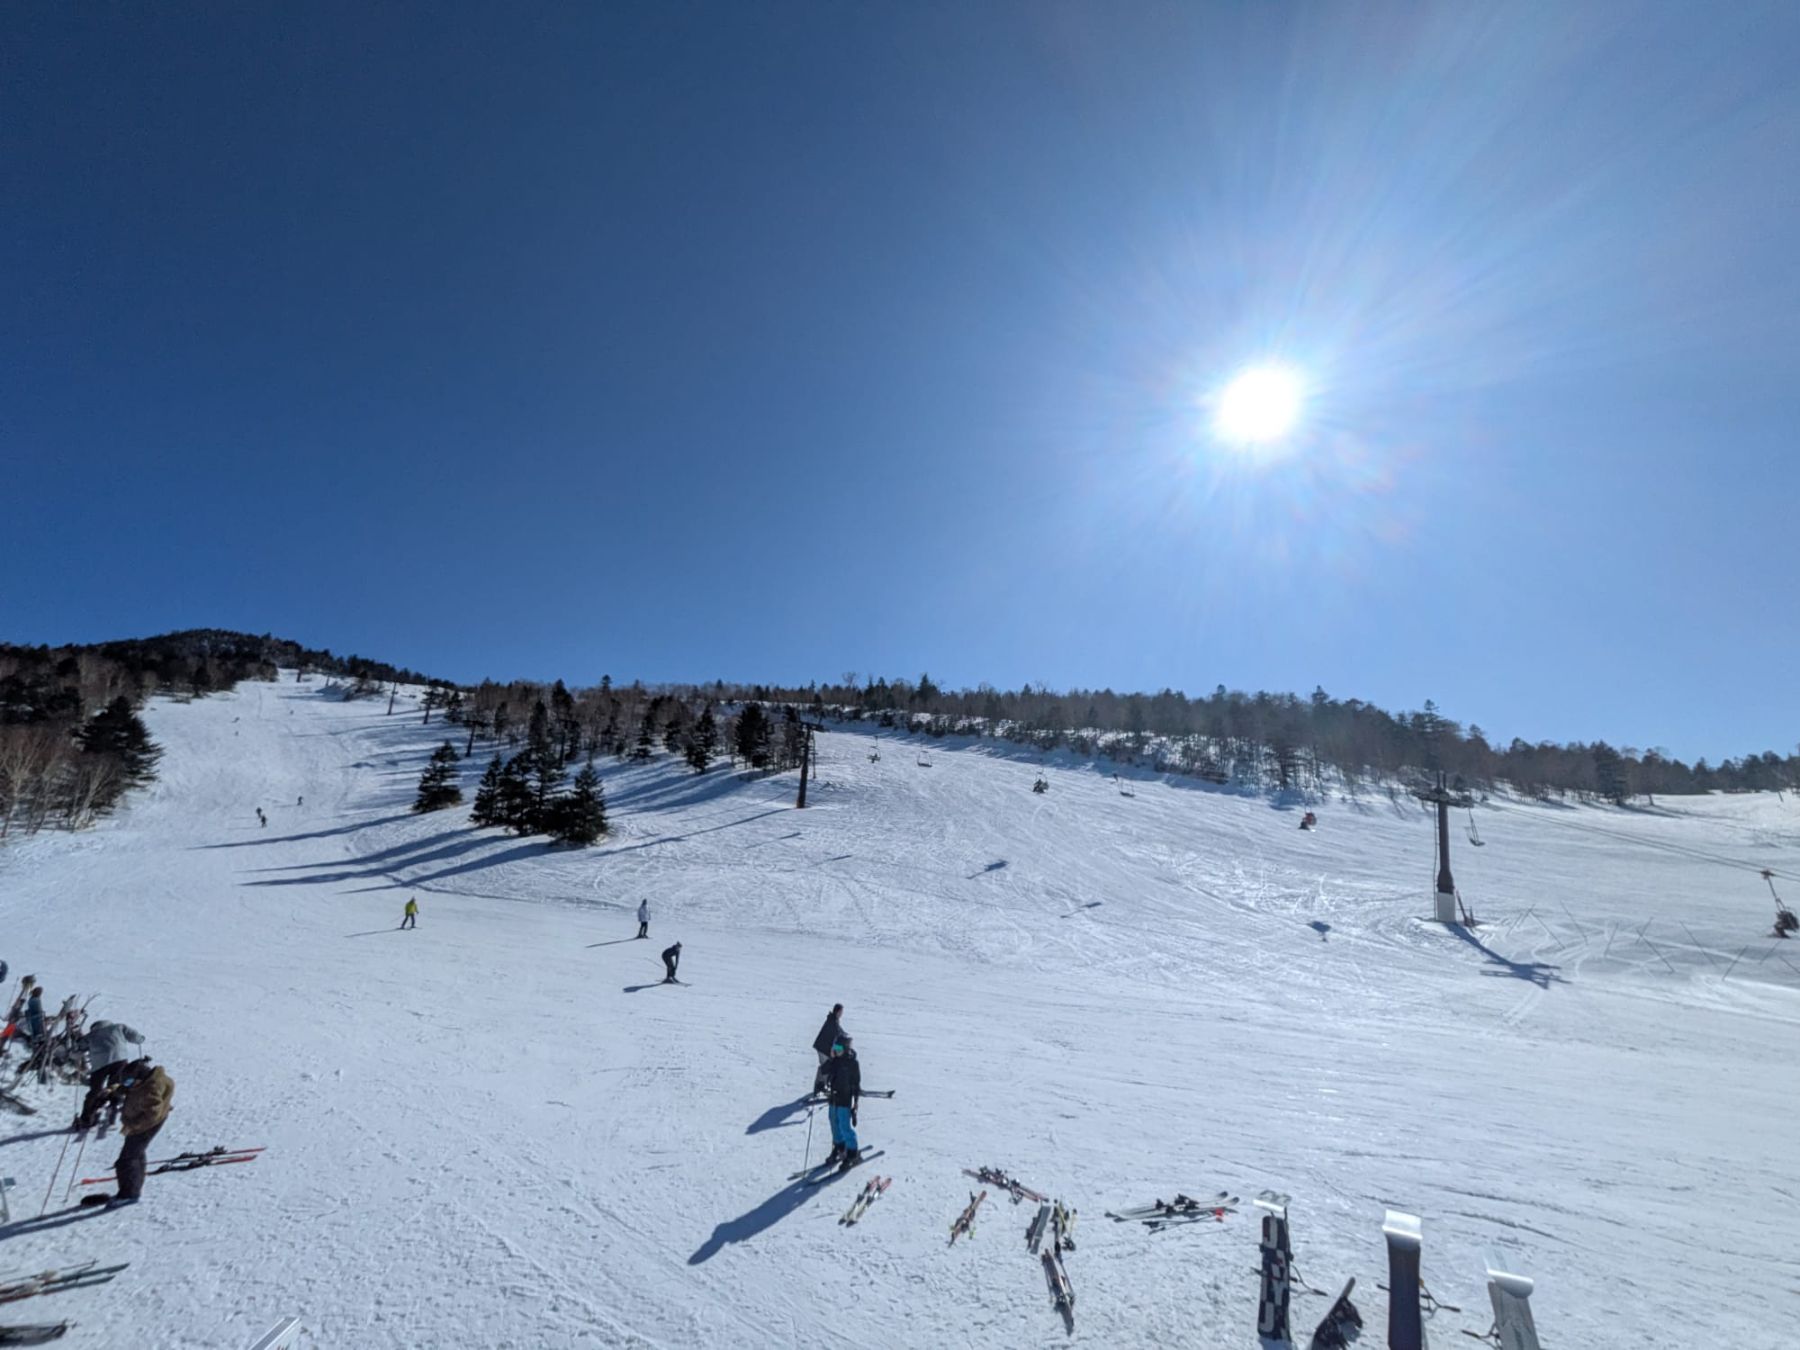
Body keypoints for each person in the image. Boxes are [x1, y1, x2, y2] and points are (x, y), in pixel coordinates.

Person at [107, 1058, 175, 1206]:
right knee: (136, 1153)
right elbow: (133, 1088)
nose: (128, 1084)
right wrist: (119, 1089)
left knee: (126, 1160)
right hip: (148, 1122)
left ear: (140, 1077)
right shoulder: (148, 1080)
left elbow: (152, 1114)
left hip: (146, 1125)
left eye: (130, 1082)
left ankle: (128, 1194)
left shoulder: (151, 1089)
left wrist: (133, 1124)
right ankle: (135, 1186)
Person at [77, 1019, 145, 1130]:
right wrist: (141, 1039)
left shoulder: (91, 1035)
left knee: (95, 1089)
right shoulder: (118, 1027)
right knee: (115, 1085)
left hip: (99, 1065)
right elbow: (135, 1037)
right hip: (119, 1059)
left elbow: (80, 1047)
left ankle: (86, 1118)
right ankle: (114, 1104)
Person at [821, 1037, 862, 1169]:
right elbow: (823, 1070)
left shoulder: (852, 1063)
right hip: (833, 1098)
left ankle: (852, 1153)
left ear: (845, 1048)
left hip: (845, 1099)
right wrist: (831, 1059)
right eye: (834, 1048)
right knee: (834, 1123)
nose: (836, 1051)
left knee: (844, 1126)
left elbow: (856, 1084)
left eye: (838, 1048)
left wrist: (855, 1102)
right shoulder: (835, 1061)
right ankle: (840, 1147)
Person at [811, 1004, 845, 1095]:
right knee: (826, 1066)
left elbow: (840, 1032)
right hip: (823, 1047)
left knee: (825, 1066)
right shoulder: (832, 1022)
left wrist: (846, 1037)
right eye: (841, 1012)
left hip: (824, 1047)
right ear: (837, 1012)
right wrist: (842, 1048)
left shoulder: (834, 1020)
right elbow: (835, 1038)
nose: (842, 1014)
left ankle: (819, 1085)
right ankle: (820, 1086)